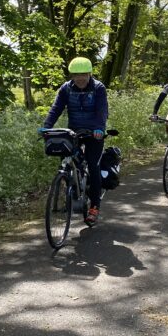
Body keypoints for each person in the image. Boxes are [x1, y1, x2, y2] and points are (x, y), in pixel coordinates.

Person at [41, 57, 109, 226]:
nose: (80, 78)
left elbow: (102, 110)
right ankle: (74, 192)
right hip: (74, 132)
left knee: (93, 166)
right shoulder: (66, 89)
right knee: (70, 163)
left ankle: (94, 207)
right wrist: (46, 127)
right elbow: (56, 108)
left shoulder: (98, 88)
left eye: (83, 74)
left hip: (95, 133)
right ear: (72, 75)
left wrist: (99, 128)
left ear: (89, 74)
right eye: (76, 75)